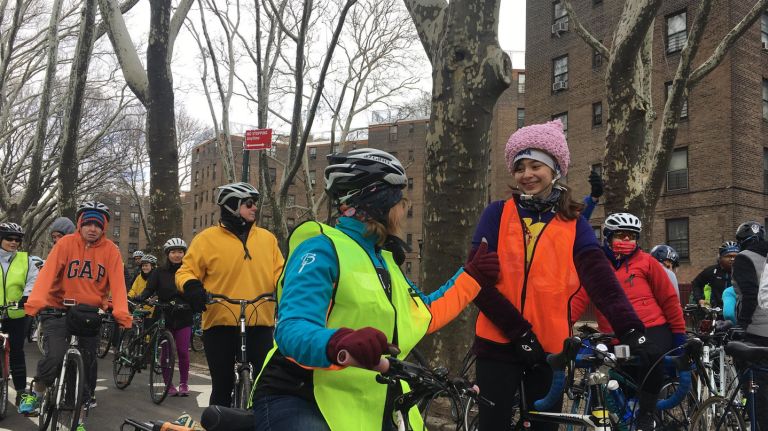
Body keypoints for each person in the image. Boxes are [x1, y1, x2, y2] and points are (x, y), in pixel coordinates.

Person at [251, 148, 498, 431]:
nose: (404, 211)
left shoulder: (385, 260)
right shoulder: (322, 248)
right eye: (400, 202)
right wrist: (338, 341)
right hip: (300, 393)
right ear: (378, 202)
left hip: (373, 398)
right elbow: (292, 327)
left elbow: (422, 314)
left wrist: (471, 278)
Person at [468, 120, 651, 431]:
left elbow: (600, 279)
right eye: (519, 167)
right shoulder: (496, 214)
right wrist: (520, 333)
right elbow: (476, 283)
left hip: (549, 351)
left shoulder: (574, 223)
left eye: (535, 165)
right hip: (497, 344)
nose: (526, 174)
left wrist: (632, 329)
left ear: (554, 169)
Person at [21, 202, 132, 428]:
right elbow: (48, 273)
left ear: (104, 228)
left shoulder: (111, 250)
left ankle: (78, 417)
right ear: (80, 224)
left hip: (89, 314)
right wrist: (36, 301)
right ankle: (39, 389)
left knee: (84, 367)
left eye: (97, 225)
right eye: (88, 223)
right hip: (58, 309)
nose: (92, 229)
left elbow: (118, 285)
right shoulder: (65, 244)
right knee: (55, 355)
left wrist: (121, 312)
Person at [572, 213, 686, 428]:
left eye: (631, 236)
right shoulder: (596, 265)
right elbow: (578, 299)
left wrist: (679, 336)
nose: (626, 241)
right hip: (615, 332)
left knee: (652, 360)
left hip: (652, 327)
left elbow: (669, 300)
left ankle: (647, 414)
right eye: (621, 235)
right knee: (607, 375)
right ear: (607, 236)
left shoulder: (648, 262)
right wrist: (560, 326)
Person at [177, 182, 285, 407]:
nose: (254, 207)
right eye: (248, 203)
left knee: (266, 384)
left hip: (260, 322)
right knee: (222, 384)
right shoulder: (206, 239)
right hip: (219, 323)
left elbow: (281, 274)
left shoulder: (267, 239)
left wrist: (290, 294)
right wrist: (192, 287)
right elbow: (186, 271)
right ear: (232, 206)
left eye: (255, 203)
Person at [137, 238, 192, 397]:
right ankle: (169, 384)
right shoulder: (158, 272)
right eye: (173, 252)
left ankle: (184, 383)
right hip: (164, 315)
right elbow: (149, 289)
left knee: (183, 351)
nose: (177, 255)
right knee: (166, 352)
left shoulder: (189, 270)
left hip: (184, 315)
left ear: (184, 253)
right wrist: (141, 297)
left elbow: (196, 290)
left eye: (180, 252)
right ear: (167, 254)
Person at [731, 221, 768, 430]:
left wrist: (742, 325)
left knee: (756, 388)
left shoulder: (744, 258)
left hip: (756, 331)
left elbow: (749, 295)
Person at [0, 222, 39, 413]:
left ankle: (22, 392)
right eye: (9, 238)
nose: (14, 242)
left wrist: (27, 297)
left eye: (17, 239)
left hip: (17, 313)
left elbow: (34, 280)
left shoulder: (26, 260)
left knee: (17, 351)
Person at [691, 241, 739, 308]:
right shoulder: (712, 271)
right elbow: (696, 284)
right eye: (728, 256)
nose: (732, 259)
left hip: (736, 312)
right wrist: (700, 299)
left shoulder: (743, 272)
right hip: (715, 312)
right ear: (720, 257)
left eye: (735, 256)